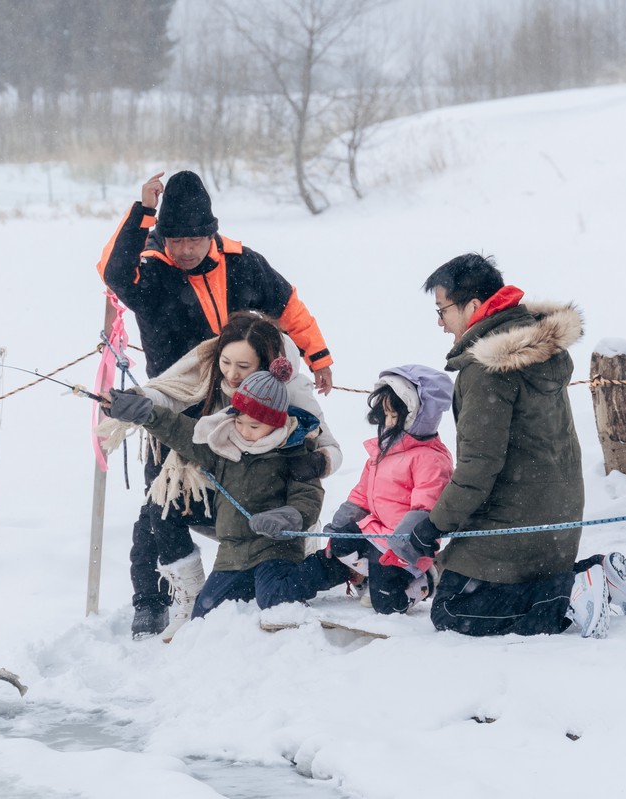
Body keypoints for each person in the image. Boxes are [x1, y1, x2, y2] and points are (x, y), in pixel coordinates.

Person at [96, 171, 336, 638]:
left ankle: (280, 562)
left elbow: (288, 305)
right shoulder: (149, 268)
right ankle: (157, 598)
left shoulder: (243, 262)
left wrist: (318, 355)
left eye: (194, 239)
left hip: (245, 403)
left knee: (262, 488)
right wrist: (143, 212)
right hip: (174, 404)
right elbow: (113, 272)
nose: (185, 249)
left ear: (212, 233)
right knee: (161, 502)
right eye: (175, 240)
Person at [391, 253, 626, 639]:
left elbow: (478, 466)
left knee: (452, 609)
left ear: (473, 306)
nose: (441, 323)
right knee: (468, 584)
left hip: (515, 521)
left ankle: (569, 595)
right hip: (556, 516)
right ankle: (601, 576)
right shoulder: (535, 347)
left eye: (442, 311)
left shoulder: (487, 370)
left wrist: (435, 525)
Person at [96, 311, 343, 641]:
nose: (232, 374)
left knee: (276, 592)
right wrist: (139, 406)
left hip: (275, 523)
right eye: (226, 362)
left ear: (268, 363)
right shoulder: (216, 398)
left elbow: (327, 456)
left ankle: (331, 564)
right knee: (161, 507)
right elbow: (174, 406)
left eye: (243, 366)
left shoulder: (291, 408)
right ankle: (190, 597)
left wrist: (314, 465)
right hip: (230, 507)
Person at [322, 365, 454, 615]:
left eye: (395, 416)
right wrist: (343, 521)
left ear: (416, 416)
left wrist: (406, 544)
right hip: (375, 533)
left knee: (387, 605)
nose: (388, 423)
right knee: (340, 542)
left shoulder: (430, 459)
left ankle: (425, 580)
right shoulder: (383, 451)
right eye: (385, 415)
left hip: (405, 547)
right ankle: (374, 577)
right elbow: (362, 494)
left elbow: (426, 506)